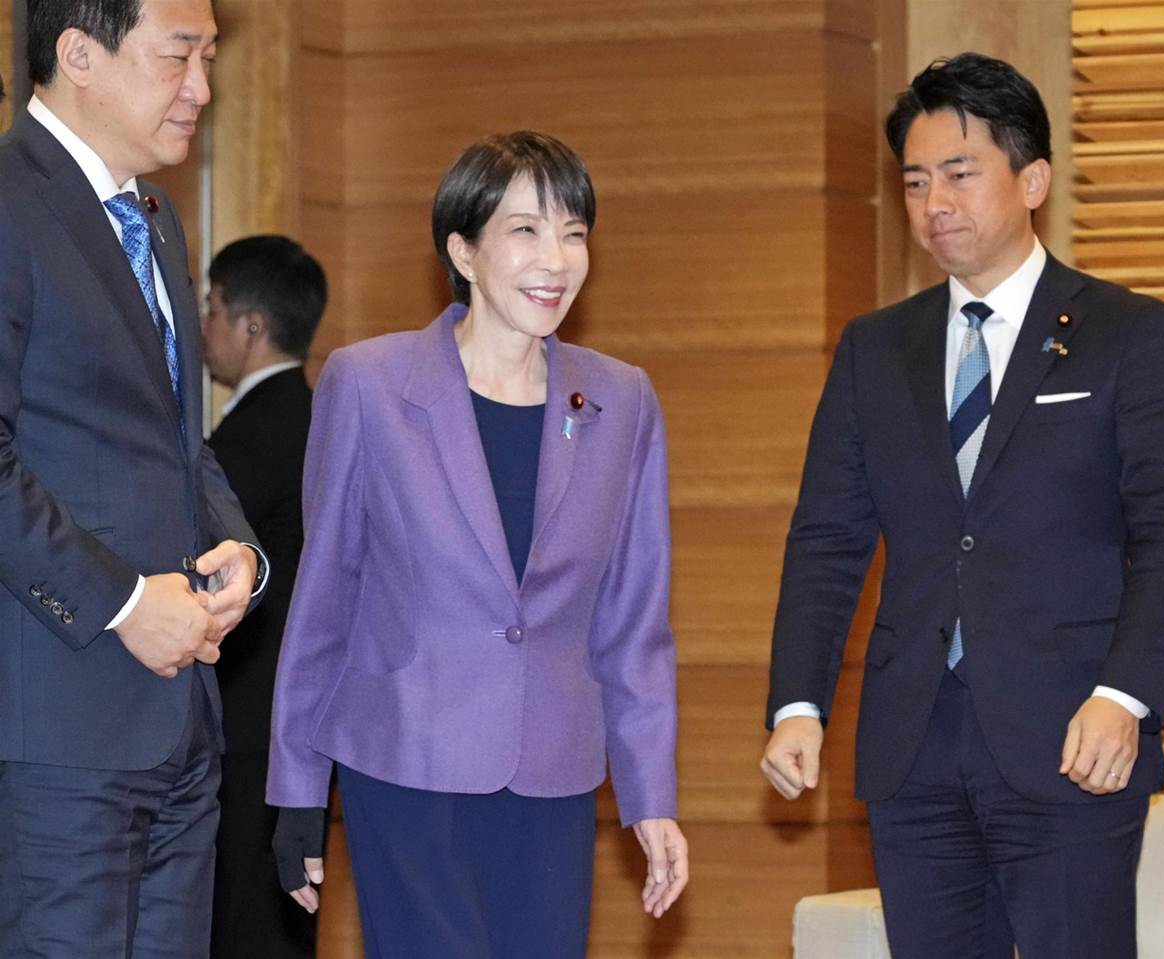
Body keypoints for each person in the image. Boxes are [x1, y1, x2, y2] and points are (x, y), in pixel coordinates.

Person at [761, 52, 1164, 959]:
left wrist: (1124, 694)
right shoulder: (876, 349)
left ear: (1032, 180)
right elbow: (827, 539)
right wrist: (798, 702)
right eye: (916, 181)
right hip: (914, 747)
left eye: (960, 174)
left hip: (1074, 738)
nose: (935, 203)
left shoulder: (1129, 333)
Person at [267, 131, 688, 957]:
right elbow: (325, 601)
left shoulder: (623, 400)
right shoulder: (369, 384)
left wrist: (651, 796)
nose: (555, 259)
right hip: (405, 764)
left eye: (573, 232)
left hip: (553, 774)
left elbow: (634, 623)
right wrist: (297, 784)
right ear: (462, 251)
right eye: (525, 230)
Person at [0, 2, 266, 956]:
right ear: (78, 53)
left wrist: (237, 547)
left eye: (210, 58)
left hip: (179, 730)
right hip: (57, 737)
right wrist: (122, 602)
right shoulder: (9, 203)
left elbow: (176, 439)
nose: (202, 88)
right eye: (177, 57)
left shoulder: (153, 219)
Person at [203, 236, 327, 959]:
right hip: (299, 722)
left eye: (212, 307)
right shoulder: (316, 416)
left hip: (250, 720)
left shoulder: (254, 433)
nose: (204, 324)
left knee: (246, 926)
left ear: (251, 325)